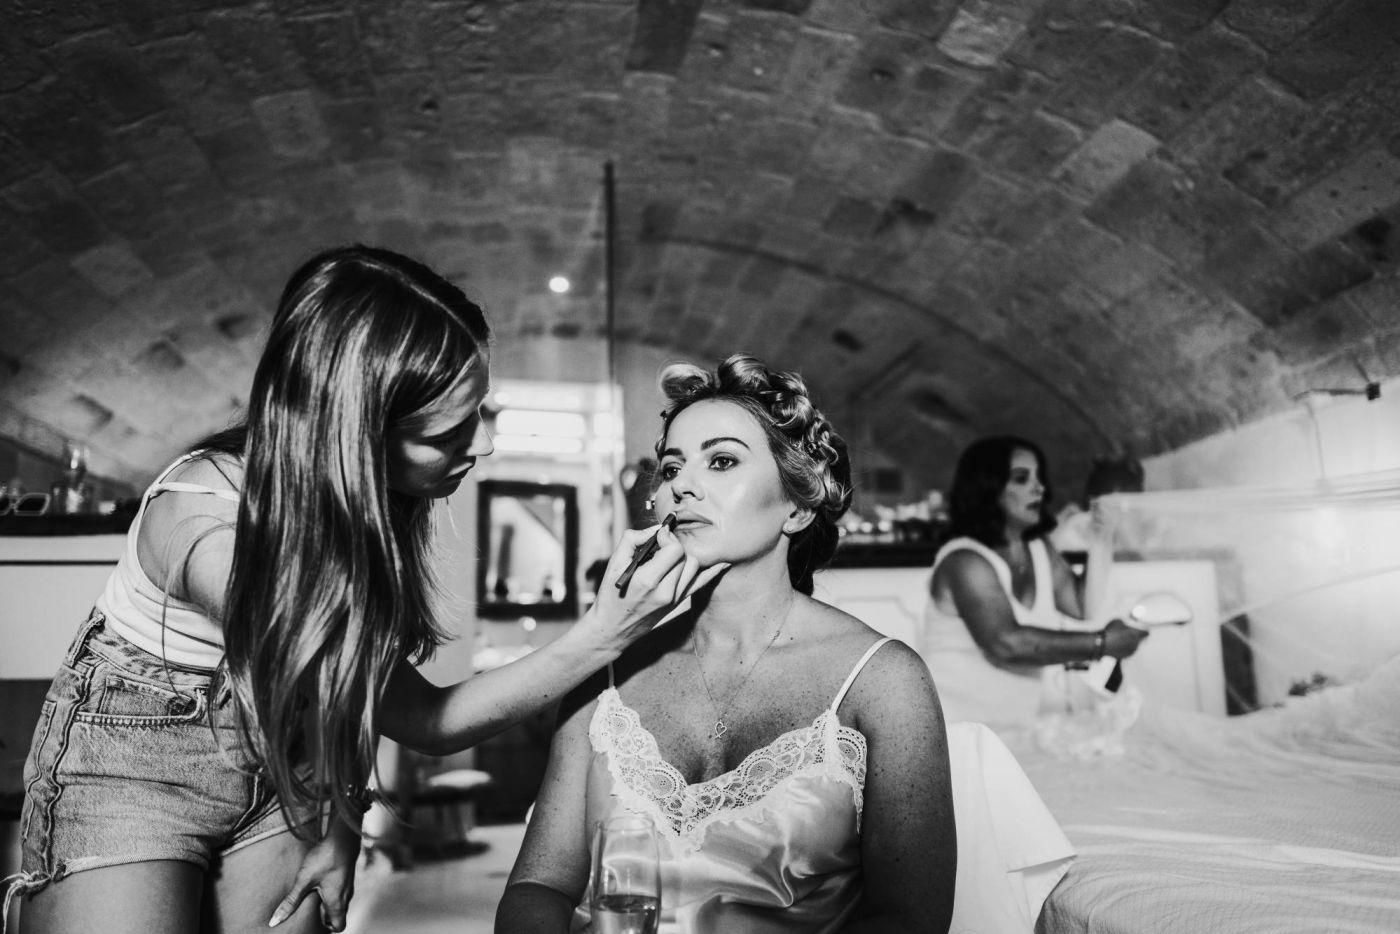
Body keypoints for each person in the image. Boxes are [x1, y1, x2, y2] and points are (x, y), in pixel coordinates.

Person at [4, 246, 724, 934]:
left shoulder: (367, 507)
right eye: (447, 434)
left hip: (287, 765)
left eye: (480, 413)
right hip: (137, 768)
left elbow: (422, 715)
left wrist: (340, 818)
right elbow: (322, 664)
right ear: (356, 433)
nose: (482, 445)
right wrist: (608, 629)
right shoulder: (201, 519)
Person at [497, 356, 1073, 934]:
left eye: (721, 461)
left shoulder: (884, 682)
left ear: (796, 505)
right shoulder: (602, 674)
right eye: (671, 468)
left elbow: (909, 920)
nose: (681, 486)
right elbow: (538, 886)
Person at [919, 436, 1149, 738]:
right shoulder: (965, 560)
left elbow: (1082, 607)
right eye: (1021, 478)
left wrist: (1101, 536)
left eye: (1039, 477)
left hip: (1014, 728)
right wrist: (1102, 644)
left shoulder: (1039, 549)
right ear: (988, 487)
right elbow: (1006, 644)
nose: (1039, 488)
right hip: (955, 732)